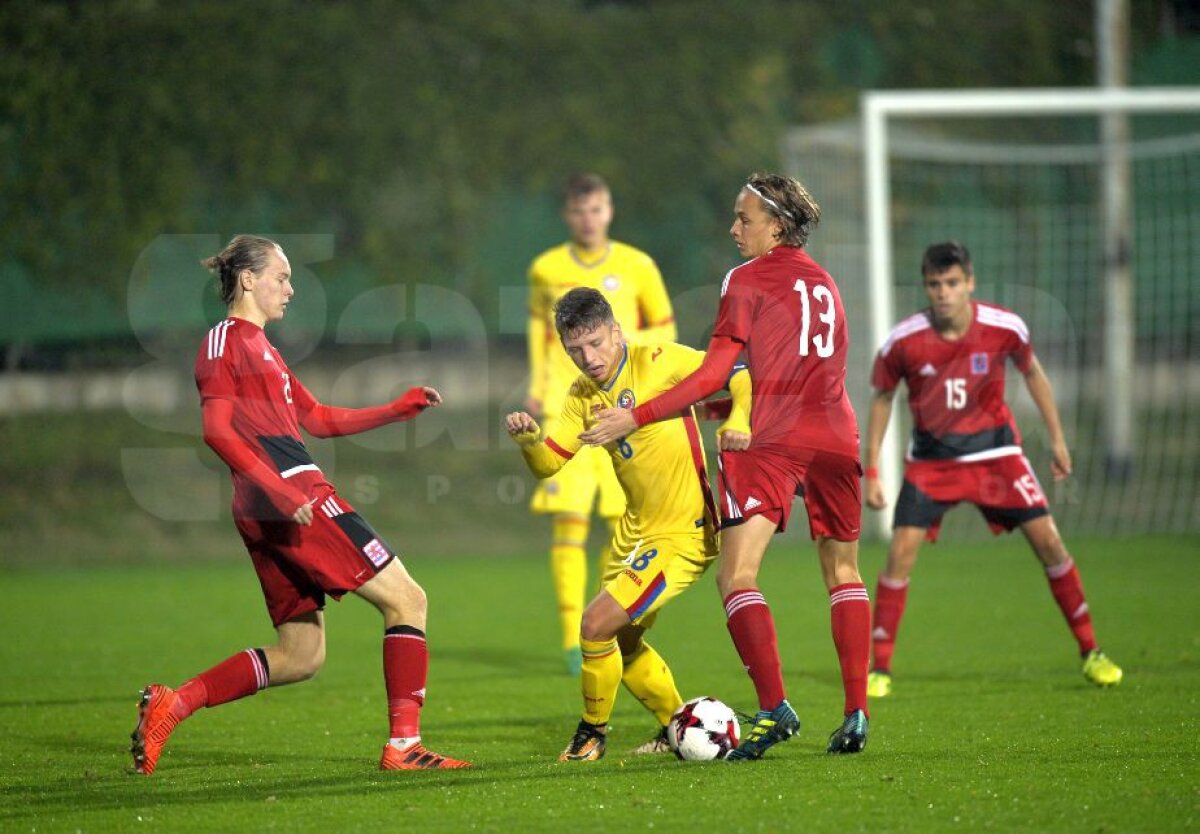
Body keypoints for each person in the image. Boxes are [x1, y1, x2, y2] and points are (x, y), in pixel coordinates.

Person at [129, 235, 470, 774]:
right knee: (408, 600)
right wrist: (281, 489)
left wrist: (395, 410)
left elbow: (318, 419)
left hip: (275, 504)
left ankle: (174, 704)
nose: (290, 289)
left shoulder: (263, 348)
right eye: (282, 277)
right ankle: (404, 746)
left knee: (300, 655)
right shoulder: (224, 341)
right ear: (248, 279)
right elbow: (217, 431)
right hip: (293, 498)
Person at [581, 172, 870, 758]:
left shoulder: (744, 278)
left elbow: (715, 373)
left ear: (777, 225)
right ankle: (856, 713)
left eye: (744, 218)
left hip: (774, 438)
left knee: (736, 576)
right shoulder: (824, 282)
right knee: (844, 573)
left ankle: (774, 708)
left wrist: (636, 416)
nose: (734, 228)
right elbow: (797, 372)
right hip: (837, 434)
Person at [862, 240, 1123, 697]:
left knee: (1050, 544)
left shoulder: (1005, 327)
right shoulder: (903, 340)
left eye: (951, 283)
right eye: (934, 284)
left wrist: (1058, 440)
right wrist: (873, 472)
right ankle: (879, 669)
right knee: (900, 553)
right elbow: (883, 399)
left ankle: (1091, 651)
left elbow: (1033, 373)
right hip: (932, 464)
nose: (943, 293)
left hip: (997, 456)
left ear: (970, 283)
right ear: (926, 287)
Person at [507, 287, 751, 760]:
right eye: (575, 350)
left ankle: (592, 733)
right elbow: (549, 463)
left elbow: (737, 370)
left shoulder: (658, 360)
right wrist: (530, 441)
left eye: (596, 343)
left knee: (595, 624)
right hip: (634, 533)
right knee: (622, 638)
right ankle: (676, 726)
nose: (589, 358)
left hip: (683, 533)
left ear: (616, 331)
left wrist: (738, 418)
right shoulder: (582, 394)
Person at [526, 173, 677, 675]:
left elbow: (664, 329)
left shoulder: (639, 265)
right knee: (568, 523)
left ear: (609, 211)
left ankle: (615, 623)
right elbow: (538, 330)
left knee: (625, 523)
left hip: (623, 403)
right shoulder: (546, 268)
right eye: (578, 210)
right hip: (565, 405)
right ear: (567, 215)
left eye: (596, 209)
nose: (588, 219)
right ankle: (573, 639)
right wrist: (537, 384)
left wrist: (648, 387)